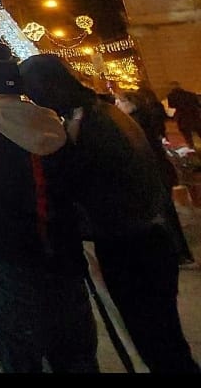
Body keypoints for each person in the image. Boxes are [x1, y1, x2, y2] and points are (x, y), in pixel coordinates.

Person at [20, 54, 200, 373]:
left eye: (32, 90)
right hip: (143, 239)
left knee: (157, 341)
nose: (33, 99)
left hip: (131, 246)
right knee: (162, 340)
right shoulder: (102, 113)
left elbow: (83, 181)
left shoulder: (91, 124)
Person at [0, 53, 98, 372]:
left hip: (5, 252)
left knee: (16, 347)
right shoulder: (51, 122)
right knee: (74, 348)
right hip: (61, 249)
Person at [119, 88, 195, 266]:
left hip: (155, 172)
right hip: (161, 170)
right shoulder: (145, 117)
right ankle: (181, 252)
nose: (118, 105)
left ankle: (177, 253)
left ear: (131, 103)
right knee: (167, 213)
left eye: (120, 102)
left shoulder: (134, 123)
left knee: (163, 213)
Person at [167, 82, 201, 151]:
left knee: (188, 137)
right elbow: (197, 104)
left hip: (183, 118)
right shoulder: (190, 94)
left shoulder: (171, 96)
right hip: (195, 116)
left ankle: (192, 150)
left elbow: (172, 106)